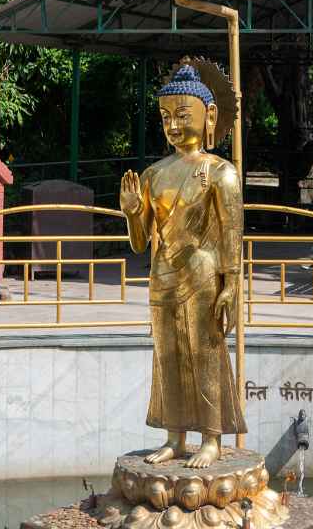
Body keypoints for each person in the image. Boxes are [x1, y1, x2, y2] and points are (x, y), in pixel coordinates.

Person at [119, 62, 246, 470]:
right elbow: (140, 243)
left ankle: (211, 439)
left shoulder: (220, 173)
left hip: (204, 275)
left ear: (209, 116)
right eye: (166, 117)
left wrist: (232, 283)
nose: (173, 125)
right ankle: (175, 436)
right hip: (163, 276)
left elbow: (232, 235)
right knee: (168, 356)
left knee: (204, 353)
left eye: (182, 115)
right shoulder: (154, 174)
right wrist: (133, 210)